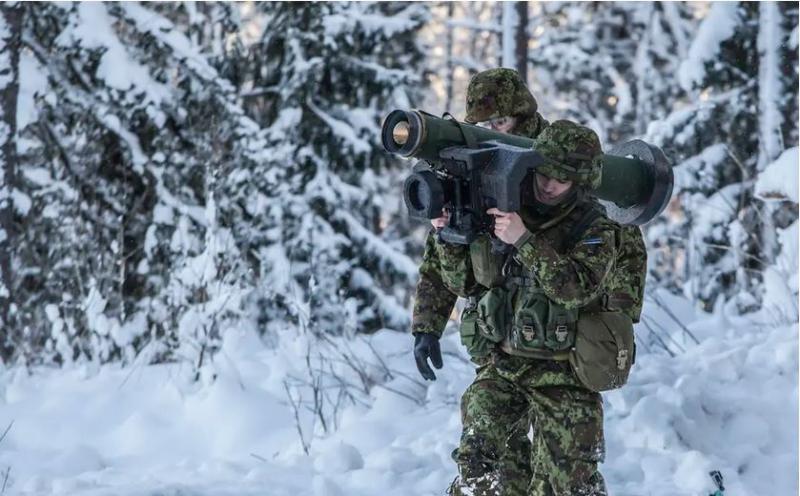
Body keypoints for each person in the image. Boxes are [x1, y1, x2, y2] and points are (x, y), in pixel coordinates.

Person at [411, 69, 642, 496]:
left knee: (565, 481)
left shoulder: (572, 160)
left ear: (523, 117)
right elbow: (449, 267)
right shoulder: (478, 173)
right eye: (483, 126)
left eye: (500, 123)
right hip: (502, 348)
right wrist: (427, 323)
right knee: (485, 470)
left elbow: (612, 263)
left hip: (563, 357)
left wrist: (614, 327)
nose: (492, 132)